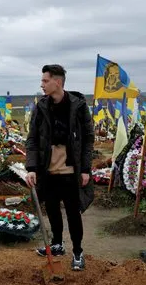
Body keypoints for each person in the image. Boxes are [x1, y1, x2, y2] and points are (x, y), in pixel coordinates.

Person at [25, 64, 94, 271]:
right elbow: (32, 139)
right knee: (52, 209)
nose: (42, 84)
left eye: (45, 81)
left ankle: (78, 252)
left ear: (58, 82)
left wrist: (85, 169)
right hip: (48, 170)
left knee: (73, 213)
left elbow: (88, 138)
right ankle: (57, 244)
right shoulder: (41, 107)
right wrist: (32, 167)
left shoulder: (78, 106)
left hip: (71, 170)